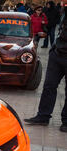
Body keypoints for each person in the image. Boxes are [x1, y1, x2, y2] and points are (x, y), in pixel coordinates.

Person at [25, 1, 67, 132]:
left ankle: (66, 121)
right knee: (49, 86)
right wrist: (53, 50)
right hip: (57, 54)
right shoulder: (64, 11)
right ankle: (43, 116)